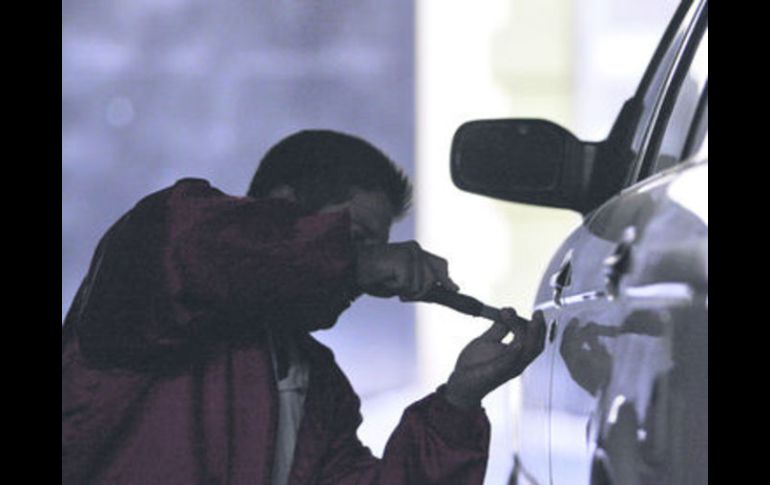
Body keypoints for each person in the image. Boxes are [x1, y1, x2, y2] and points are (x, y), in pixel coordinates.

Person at [62, 130, 546, 485]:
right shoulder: (152, 274)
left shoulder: (316, 383)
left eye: (376, 246)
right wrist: (356, 262)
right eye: (355, 235)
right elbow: (190, 240)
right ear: (280, 206)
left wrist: (459, 401)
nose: (374, 280)